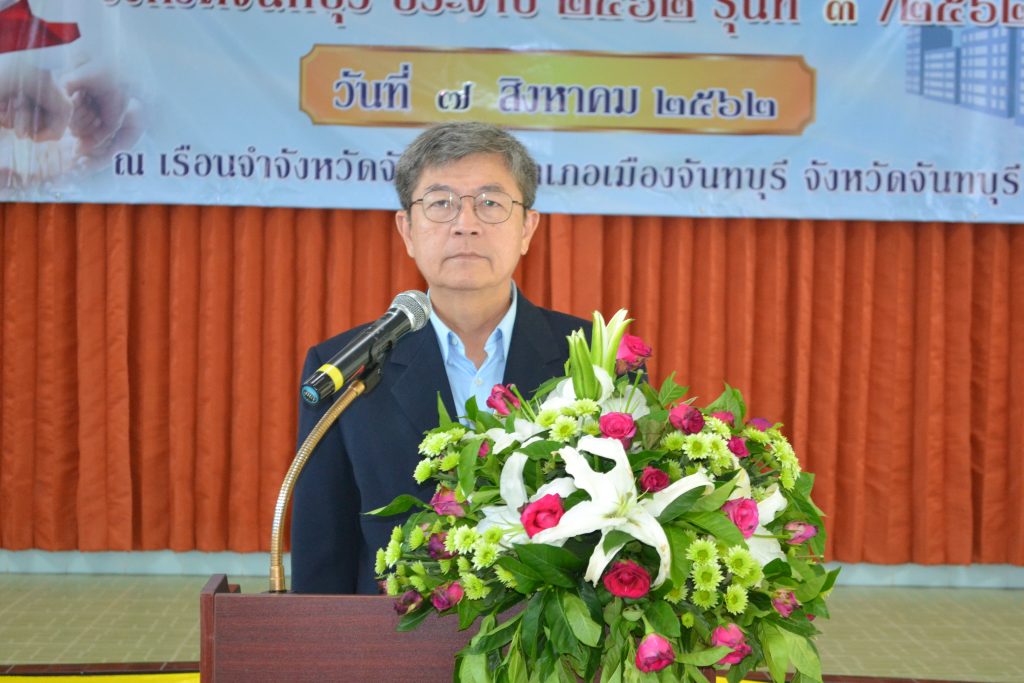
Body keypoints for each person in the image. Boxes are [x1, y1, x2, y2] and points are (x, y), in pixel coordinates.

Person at [291, 122, 589, 594]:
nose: (465, 223)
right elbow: (322, 548)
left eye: (490, 202)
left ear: (527, 228)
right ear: (407, 230)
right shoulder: (346, 367)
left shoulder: (591, 354)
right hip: (389, 631)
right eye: (440, 202)